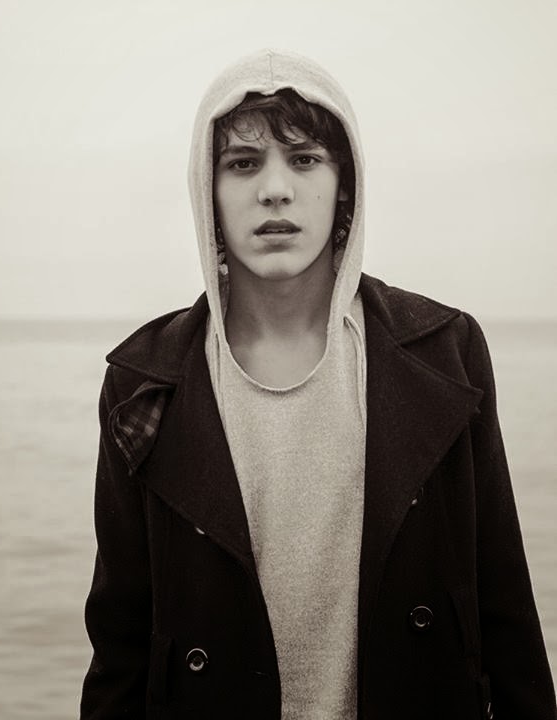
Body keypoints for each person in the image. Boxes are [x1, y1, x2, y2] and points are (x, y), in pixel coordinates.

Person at [80, 49, 556, 719]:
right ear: (206, 190)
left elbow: (505, 612)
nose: (275, 189)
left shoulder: (447, 352)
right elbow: (121, 645)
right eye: (242, 163)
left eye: (304, 159)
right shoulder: (143, 382)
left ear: (345, 187)